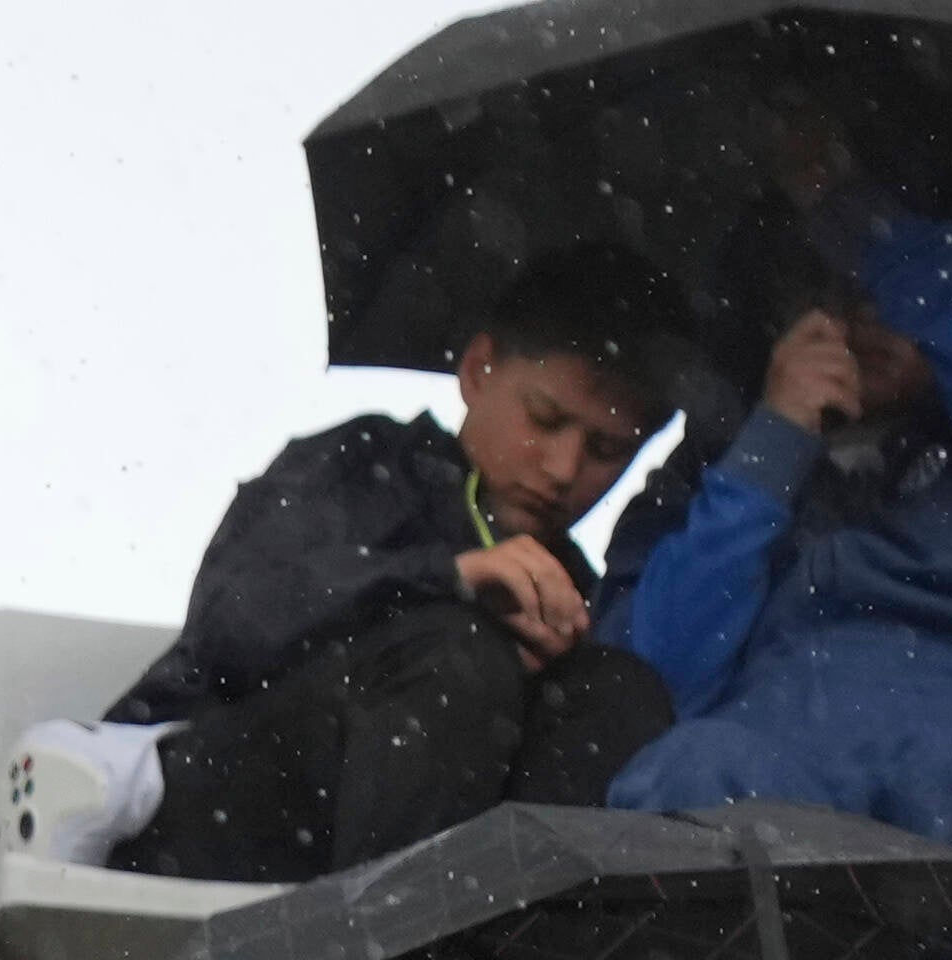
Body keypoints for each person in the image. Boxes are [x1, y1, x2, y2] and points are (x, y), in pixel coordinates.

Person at [49, 256, 686, 882]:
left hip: (374, 862)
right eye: (544, 419)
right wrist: (452, 578)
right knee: (456, 656)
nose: (563, 468)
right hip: (186, 813)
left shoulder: (571, 587)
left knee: (617, 691)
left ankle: (506, 938)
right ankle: (401, 939)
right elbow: (232, 621)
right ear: (478, 369)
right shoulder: (361, 463)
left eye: (607, 450)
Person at [608, 203, 952, 923]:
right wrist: (774, 441)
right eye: (825, 299)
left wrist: (851, 210)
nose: (860, 323)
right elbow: (645, 679)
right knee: (687, 775)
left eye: (877, 295)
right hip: (771, 767)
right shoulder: (704, 477)